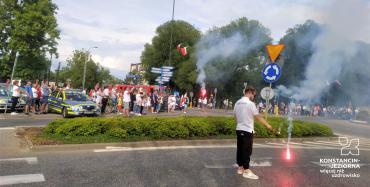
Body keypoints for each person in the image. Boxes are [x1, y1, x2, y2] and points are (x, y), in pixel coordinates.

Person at [234, 86, 276, 179]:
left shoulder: (237, 103)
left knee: (240, 149)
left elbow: (235, 117)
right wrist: (268, 125)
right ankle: (246, 170)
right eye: (254, 94)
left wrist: (240, 124)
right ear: (249, 92)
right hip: (247, 130)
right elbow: (258, 117)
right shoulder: (250, 104)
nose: (254, 96)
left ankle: (240, 168)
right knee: (247, 150)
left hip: (239, 128)